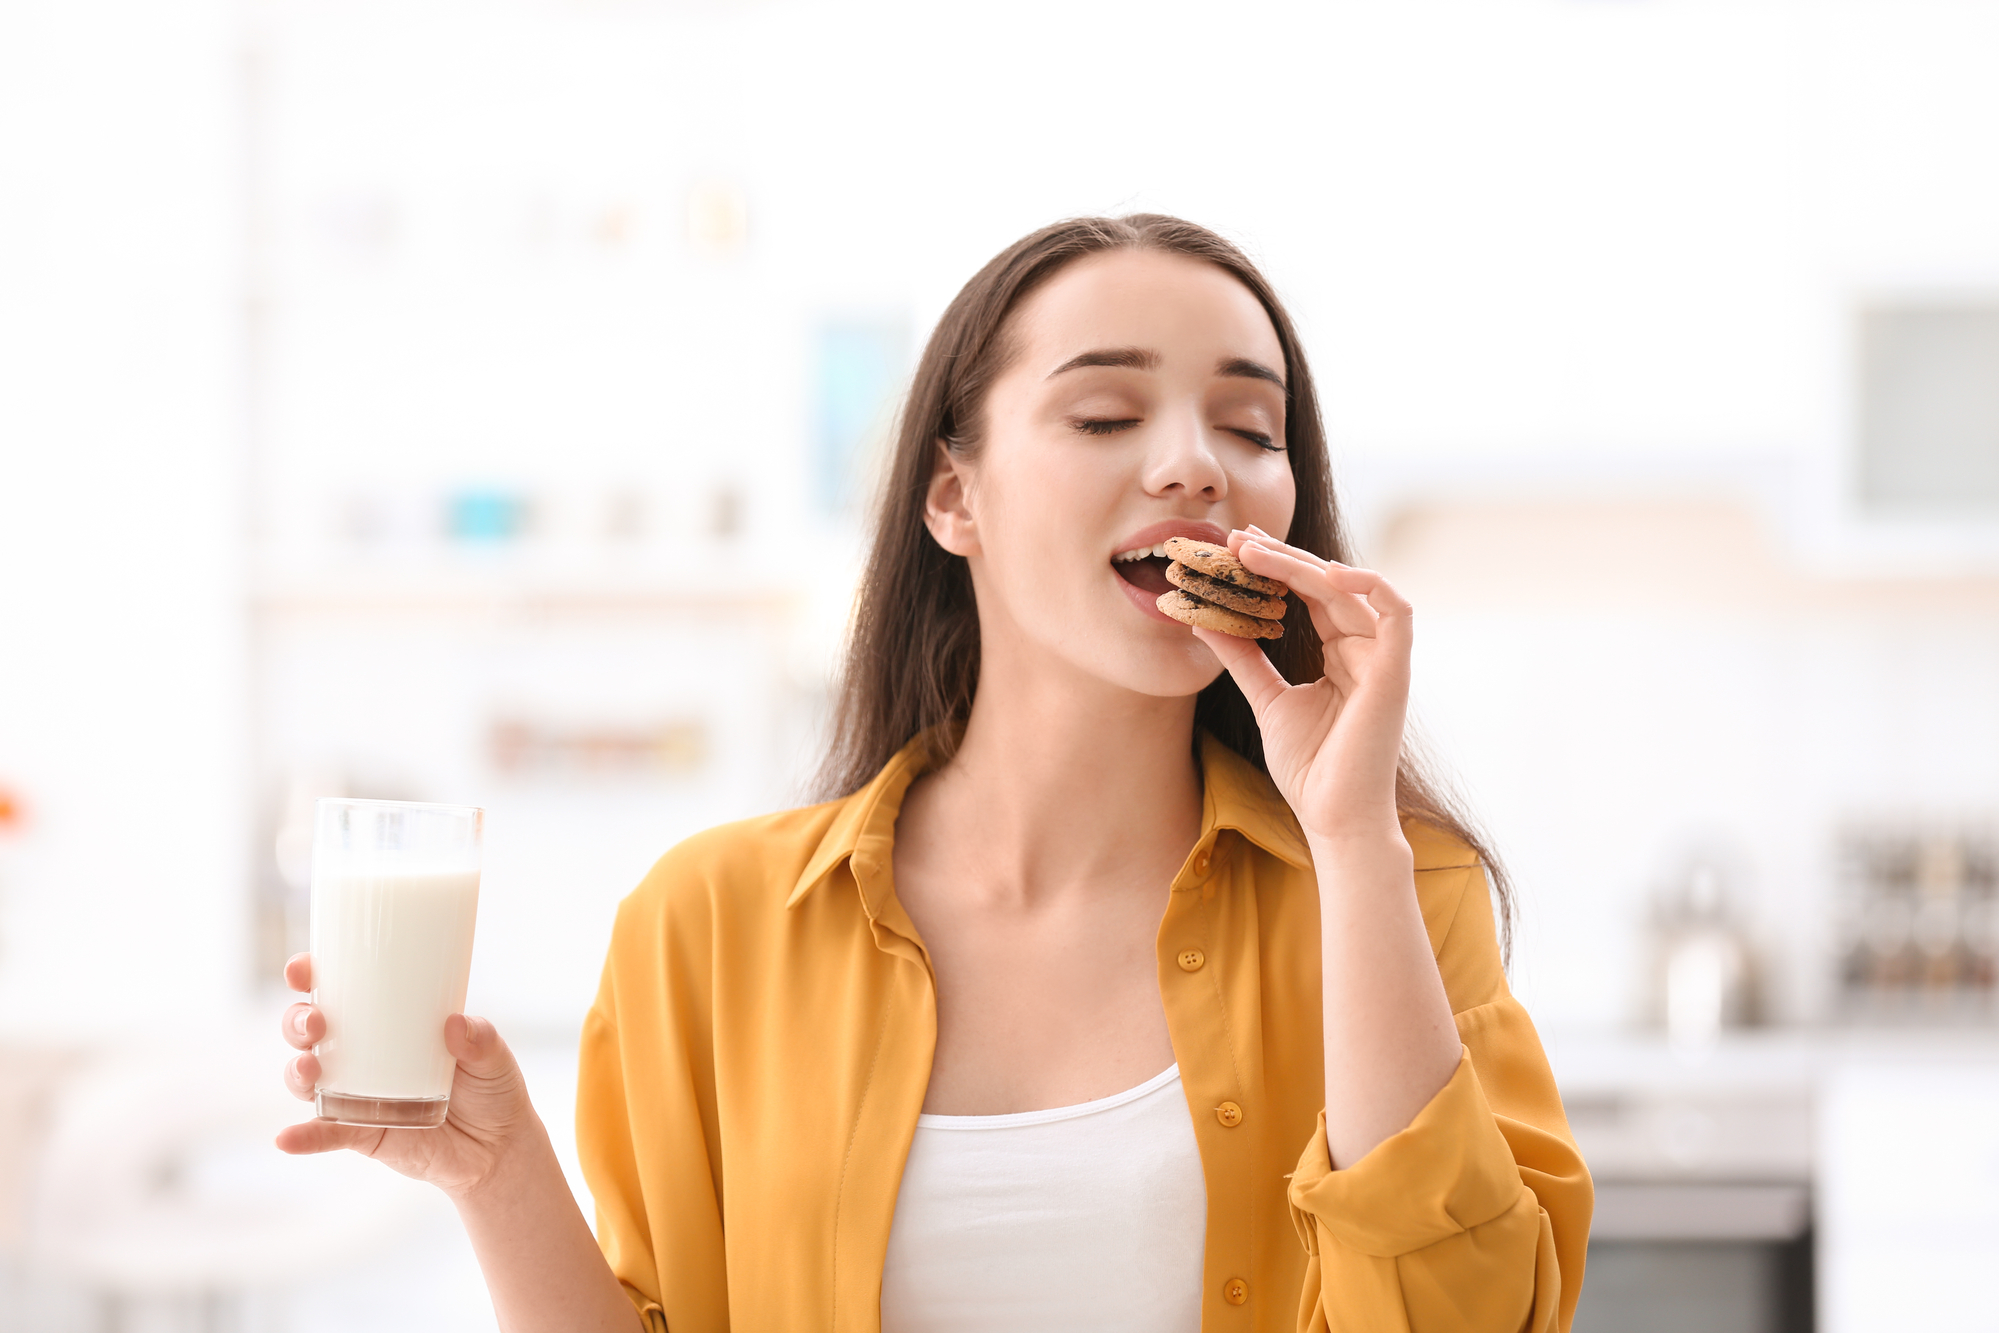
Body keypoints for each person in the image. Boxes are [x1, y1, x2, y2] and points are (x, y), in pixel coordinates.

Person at [277, 214, 1592, 1332]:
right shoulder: (709, 923)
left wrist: (1352, 835)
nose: (1199, 461)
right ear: (954, 498)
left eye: (1251, 425)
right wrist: (499, 1172)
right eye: (1105, 410)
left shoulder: (1400, 887)